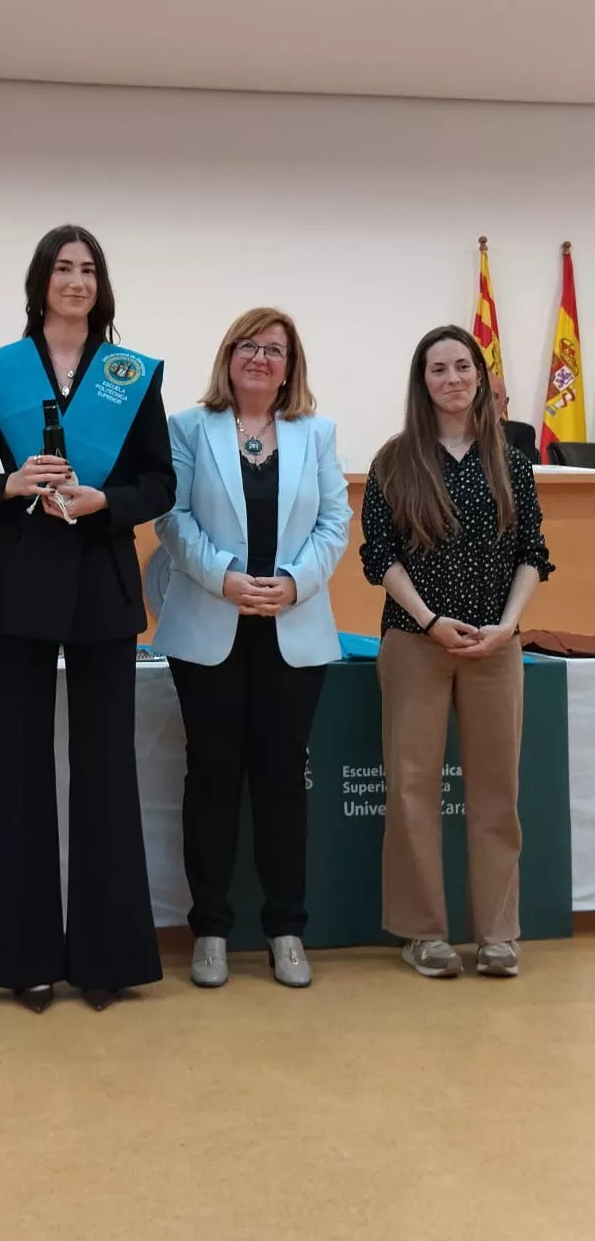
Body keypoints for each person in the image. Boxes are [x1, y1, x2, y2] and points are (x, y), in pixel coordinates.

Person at [0, 224, 175, 1012]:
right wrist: (12, 487)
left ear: (101, 284)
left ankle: (107, 958)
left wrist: (107, 500)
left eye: (87, 269)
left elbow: (160, 483)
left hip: (104, 583)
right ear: (40, 281)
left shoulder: (132, 374)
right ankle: (22, 960)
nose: (75, 280)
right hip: (18, 583)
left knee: (106, 769)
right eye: (62, 268)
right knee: (17, 769)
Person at [153, 308, 351, 990]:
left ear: (290, 366)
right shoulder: (188, 428)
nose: (261, 358)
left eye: (276, 350)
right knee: (210, 778)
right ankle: (209, 927)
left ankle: (284, 928)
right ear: (228, 356)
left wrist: (292, 585)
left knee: (280, 782)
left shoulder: (316, 433)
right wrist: (225, 579)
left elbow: (335, 522)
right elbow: (171, 518)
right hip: (210, 626)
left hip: (291, 631)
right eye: (249, 346)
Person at [361, 325, 551, 981]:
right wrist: (431, 619)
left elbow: (533, 553)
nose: (451, 378)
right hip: (416, 641)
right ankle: (423, 933)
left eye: (461, 366)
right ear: (423, 382)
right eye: (437, 369)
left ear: (478, 376)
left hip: (497, 647)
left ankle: (498, 934)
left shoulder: (511, 460)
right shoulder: (394, 460)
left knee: (497, 791)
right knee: (412, 787)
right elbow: (379, 557)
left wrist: (507, 626)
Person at [490, 373, 540, 463]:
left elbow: (526, 474)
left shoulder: (521, 433)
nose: (486, 402)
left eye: (492, 396)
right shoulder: (459, 434)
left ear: (504, 404)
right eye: (481, 395)